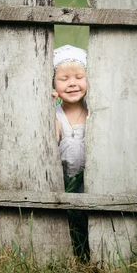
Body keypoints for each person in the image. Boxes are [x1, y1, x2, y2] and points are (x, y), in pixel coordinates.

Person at [52, 45, 88, 193]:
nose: (72, 83)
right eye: (64, 79)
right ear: (53, 83)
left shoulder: (94, 112)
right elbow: (52, 140)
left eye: (79, 77)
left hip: (92, 183)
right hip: (61, 185)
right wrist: (49, 107)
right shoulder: (56, 114)